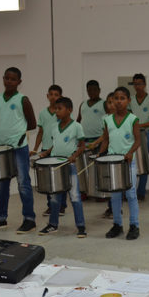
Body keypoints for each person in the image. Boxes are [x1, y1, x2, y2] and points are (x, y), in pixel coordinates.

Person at [0, 67, 37, 234]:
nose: (9, 81)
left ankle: (29, 219)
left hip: (18, 147)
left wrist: (18, 135)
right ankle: (1, 218)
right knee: (1, 186)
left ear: (19, 82)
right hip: (1, 148)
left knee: (23, 184)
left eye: (13, 79)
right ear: (3, 79)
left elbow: (32, 124)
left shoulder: (23, 100)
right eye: (6, 78)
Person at [38, 97, 87, 238]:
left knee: (75, 197)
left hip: (69, 166)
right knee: (54, 198)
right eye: (55, 109)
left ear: (69, 110)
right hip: (56, 166)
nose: (56, 112)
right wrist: (46, 152)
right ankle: (53, 224)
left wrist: (74, 155)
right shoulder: (54, 127)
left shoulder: (77, 126)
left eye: (60, 109)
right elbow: (56, 144)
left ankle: (81, 226)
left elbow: (82, 145)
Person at [100, 87, 141, 240]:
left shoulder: (133, 119)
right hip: (113, 163)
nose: (119, 101)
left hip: (127, 163)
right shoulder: (107, 120)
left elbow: (137, 140)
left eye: (122, 98)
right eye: (116, 98)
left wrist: (130, 152)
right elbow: (106, 139)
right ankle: (117, 225)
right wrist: (100, 153)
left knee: (131, 195)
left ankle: (134, 225)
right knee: (115, 195)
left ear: (128, 101)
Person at [31, 84, 67, 217]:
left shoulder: (62, 113)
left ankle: (61, 206)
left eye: (56, 94)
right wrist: (35, 149)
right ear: (47, 96)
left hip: (58, 150)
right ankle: (51, 206)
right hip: (45, 149)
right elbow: (40, 132)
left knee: (60, 179)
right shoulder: (42, 113)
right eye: (51, 94)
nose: (53, 97)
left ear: (61, 97)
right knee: (47, 180)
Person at [128, 73, 149, 201]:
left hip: (145, 134)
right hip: (130, 135)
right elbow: (127, 118)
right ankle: (130, 190)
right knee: (131, 161)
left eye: (140, 83)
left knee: (143, 163)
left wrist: (138, 125)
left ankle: (141, 192)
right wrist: (134, 126)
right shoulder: (130, 100)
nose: (137, 86)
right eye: (135, 84)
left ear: (144, 85)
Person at [87, 91, 116, 219]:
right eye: (109, 102)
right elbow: (105, 136)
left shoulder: (122, 117)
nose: (111, 105)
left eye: (113, 102)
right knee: (108, 180)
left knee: (116, 183)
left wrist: (95, 142)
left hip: (117, 152)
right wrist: (96, 145)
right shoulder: (105, 118)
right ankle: (111, 207)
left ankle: (116, 208)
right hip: (106, 151)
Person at [77, 80, 106, 201]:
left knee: (98, 168)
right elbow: (78, 120)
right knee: (83, 168)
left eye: (94, 90)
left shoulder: (104, 104)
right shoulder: (83, 104)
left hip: (99, 140)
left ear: (99, 90)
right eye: (89, 90)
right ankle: (85, 191)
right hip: (85, 140)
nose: (92, 92)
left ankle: (99, 192)